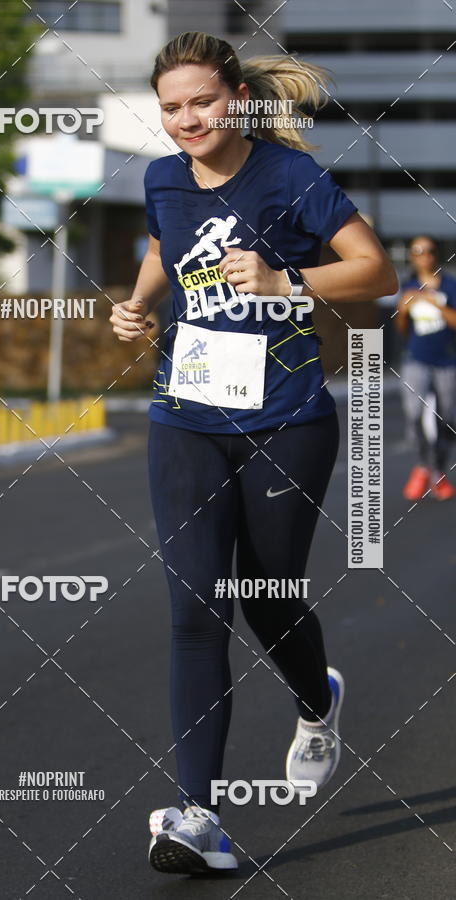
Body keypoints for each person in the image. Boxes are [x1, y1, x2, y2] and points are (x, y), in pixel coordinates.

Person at [109, 31, 398, 876]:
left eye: (202, 101)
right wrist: (137, 305)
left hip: (286, 419)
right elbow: (162, 246)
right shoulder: (162, 178)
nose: (187, 119)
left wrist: (285, 281)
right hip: (186, 417)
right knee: (197, 610)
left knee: (267, 600)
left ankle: (317, 699)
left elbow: (375, 270)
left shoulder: (289, 177)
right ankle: (198, 818)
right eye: (171, 108)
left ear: (237, 98)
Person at [395, 235, 456, 501]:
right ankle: (423, 466)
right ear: (411, 256)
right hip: (416, 359)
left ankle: (438, 471)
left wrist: (433, 302)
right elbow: (402, 329)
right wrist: (402, 310)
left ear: (435, 254)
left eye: (428, 250)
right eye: (417, 251)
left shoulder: (450, 285)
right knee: (414, 413)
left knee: (447, 419)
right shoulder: (408, 285)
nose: (423, 255)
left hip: (447, 361)